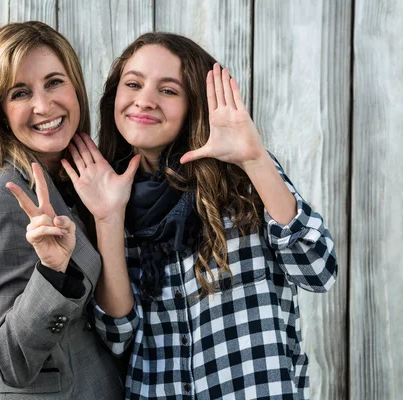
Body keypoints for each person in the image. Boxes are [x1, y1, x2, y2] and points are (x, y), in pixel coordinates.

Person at [61, 32, 338, 399]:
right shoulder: (109, 193)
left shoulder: (241, 177)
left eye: (169, 90)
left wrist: (255, 160)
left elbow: (318, 270)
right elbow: (117, 337)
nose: (145, 100)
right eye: (133, 84)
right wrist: (109, 219)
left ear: (195, 104)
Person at [0, 21, 123, 399]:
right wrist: (53, 272)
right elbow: (9, 359)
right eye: (20, 92)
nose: (43, 106)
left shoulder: (77, 178)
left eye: (55, 82)